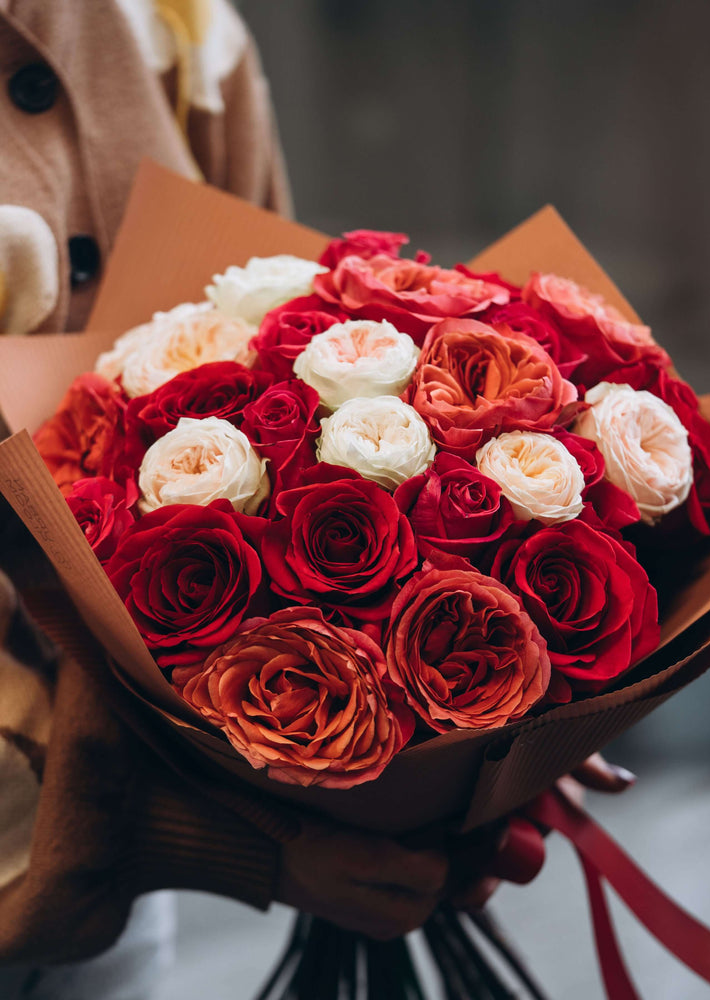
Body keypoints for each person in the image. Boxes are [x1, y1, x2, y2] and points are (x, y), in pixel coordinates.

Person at [0, 2, 634, 996]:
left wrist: (515, 704)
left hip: (114, 906)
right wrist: (219, 838)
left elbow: (271, 338)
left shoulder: (170, 24)